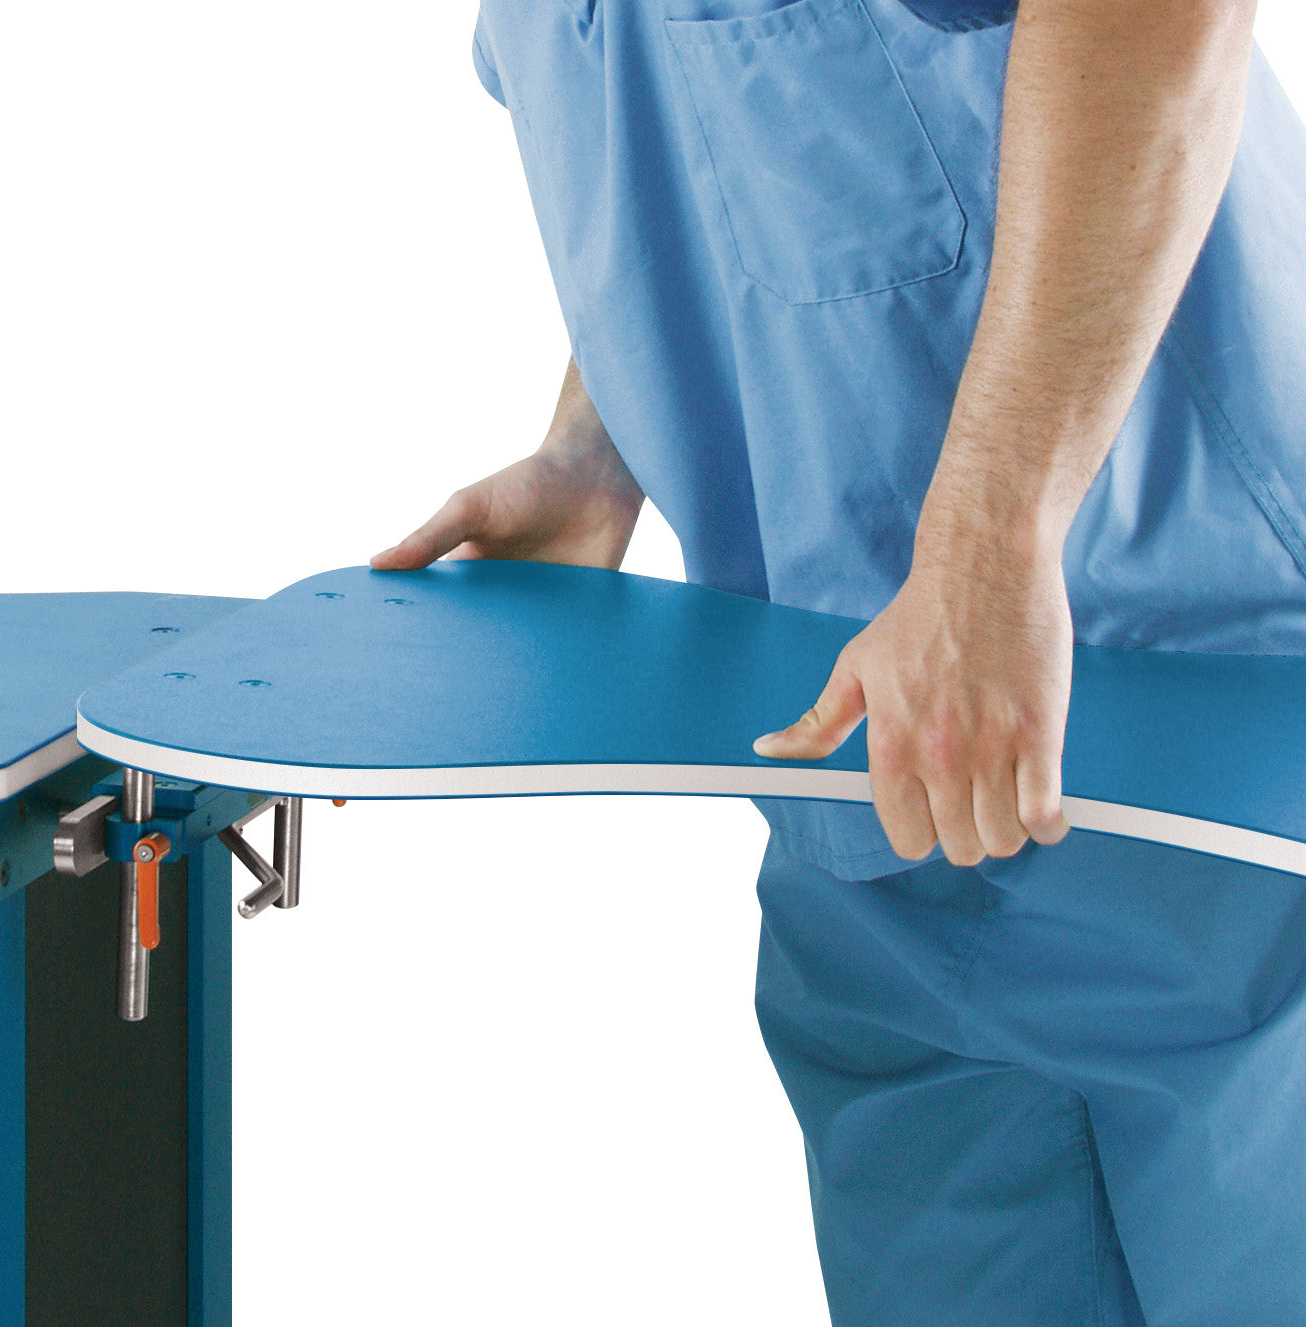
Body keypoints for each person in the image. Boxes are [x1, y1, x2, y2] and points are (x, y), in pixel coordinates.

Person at [372, 0, 1306, 1321]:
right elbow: (688, 119)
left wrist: (993, 537)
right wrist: (596, 447)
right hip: (860, 770)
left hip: (1195, 734)